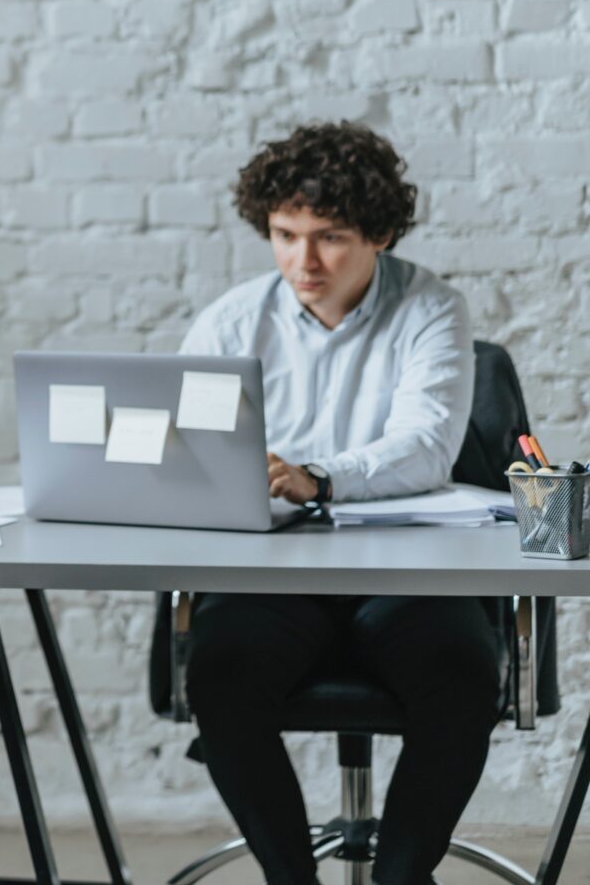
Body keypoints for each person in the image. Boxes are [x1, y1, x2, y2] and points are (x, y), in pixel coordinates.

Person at [179, 121, 493, 885]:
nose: (303, 260)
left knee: (462, 673)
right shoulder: (230, 320)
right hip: (274, 578)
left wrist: (315, 477)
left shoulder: (430, 309)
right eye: (285, 234)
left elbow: (426, 447)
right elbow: (184, 454)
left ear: (379, 234)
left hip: (406, 579)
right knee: (219, 672)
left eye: (330, 237)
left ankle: (400, 879)